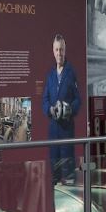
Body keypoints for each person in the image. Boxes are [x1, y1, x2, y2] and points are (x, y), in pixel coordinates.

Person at [41, 33, 80, 184]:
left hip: (66, 129)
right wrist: (50, 110)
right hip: (53, 130)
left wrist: (69, 108)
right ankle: (55, 203)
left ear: (65, 50)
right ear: (53, 51)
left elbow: (78, 100)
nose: (59, 53)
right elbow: (44, 100)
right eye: (57, 50)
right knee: (54, 173)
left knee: (68, 171)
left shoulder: (71, 73)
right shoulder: (50, 76)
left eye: (61, 50)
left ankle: (71, 197)